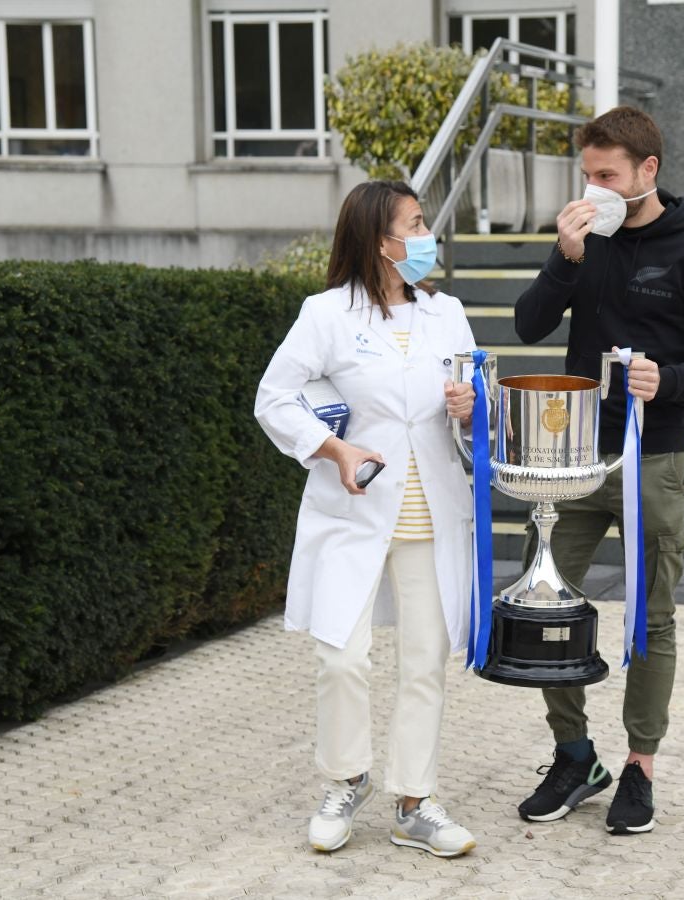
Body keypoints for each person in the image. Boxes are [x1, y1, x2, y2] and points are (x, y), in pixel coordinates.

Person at [512, 106, 684, 835]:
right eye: (587, 176)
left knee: (651, 618)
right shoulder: (588, 243)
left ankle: (639, 767)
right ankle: (576, 755)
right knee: (546, 605)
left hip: (654, 455)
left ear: (648, 171)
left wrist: (663, 382)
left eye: (606, 177)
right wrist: (564, 256)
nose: (594, 190)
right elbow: (528, 324)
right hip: (572, 457)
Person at [255, 180, 479, 858]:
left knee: (423, 663)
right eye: (415, 224)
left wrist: (472, 406)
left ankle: (415, 802)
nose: (426, 235)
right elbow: (274, 399)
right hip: (352, 510)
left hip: (430, 514)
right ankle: (345, 780)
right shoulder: (326, 315)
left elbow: (473, 410)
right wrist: (333, 447)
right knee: (342, 656)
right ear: (381, 242)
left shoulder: (447, 314)